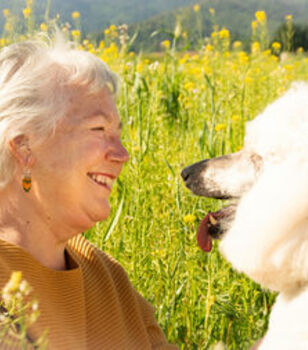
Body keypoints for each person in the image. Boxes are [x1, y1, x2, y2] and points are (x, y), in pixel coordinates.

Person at [0, 36, 178, 349]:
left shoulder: (109, 278)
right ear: (24, 148)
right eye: (99, 130)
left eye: (118, 134)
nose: (122, 154)